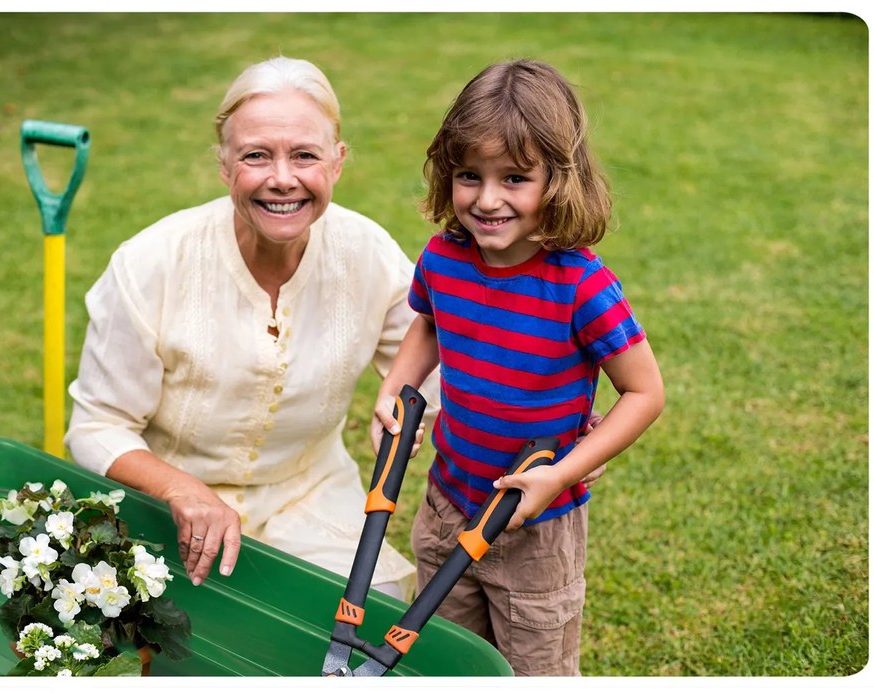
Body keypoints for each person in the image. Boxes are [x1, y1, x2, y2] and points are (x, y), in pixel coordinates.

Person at [65, 56, 437, 600]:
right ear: (224, 165)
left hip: (308, 494)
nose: (282, 178)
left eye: (305, 155)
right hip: (165, 505)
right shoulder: (150, 263)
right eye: (256, 156)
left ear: (337, 162)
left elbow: (441, 364)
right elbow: (97, 427)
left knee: (363, 617)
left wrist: (550, 427)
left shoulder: (367, 253)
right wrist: (180, 488)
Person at [371, 59, 665, 675]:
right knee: (445, 660)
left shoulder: (582, 285)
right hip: (448, 502)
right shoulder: (444, 258)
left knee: (536, 669)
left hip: (536, 529)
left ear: (558, 180)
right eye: (468, 175)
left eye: (515, 178)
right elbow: (428, 324)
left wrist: (563, 474)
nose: (487, 199)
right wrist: (397, 388)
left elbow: (644, 393)